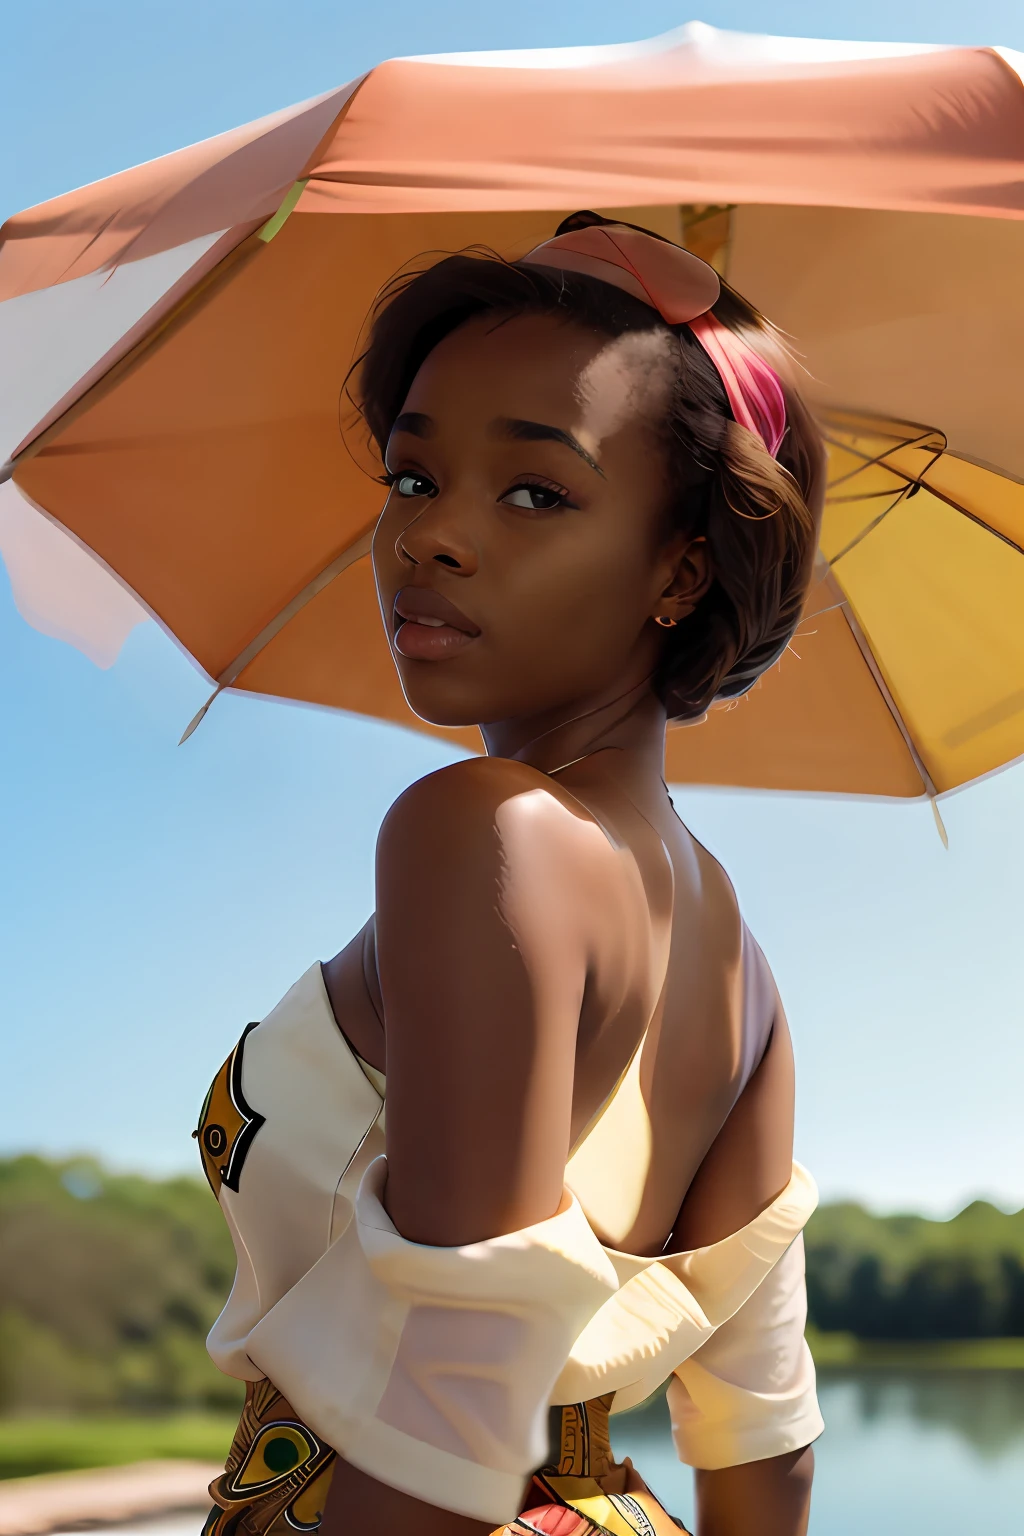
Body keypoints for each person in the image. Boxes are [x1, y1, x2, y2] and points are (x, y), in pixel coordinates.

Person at [196, 212, 827, 1536]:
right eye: (415, 479)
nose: (430, 538)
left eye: (535, 492)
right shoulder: (744, 968)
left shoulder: (480, 833)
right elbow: (763, 1440)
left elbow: (447, 1427)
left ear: (682, 565)